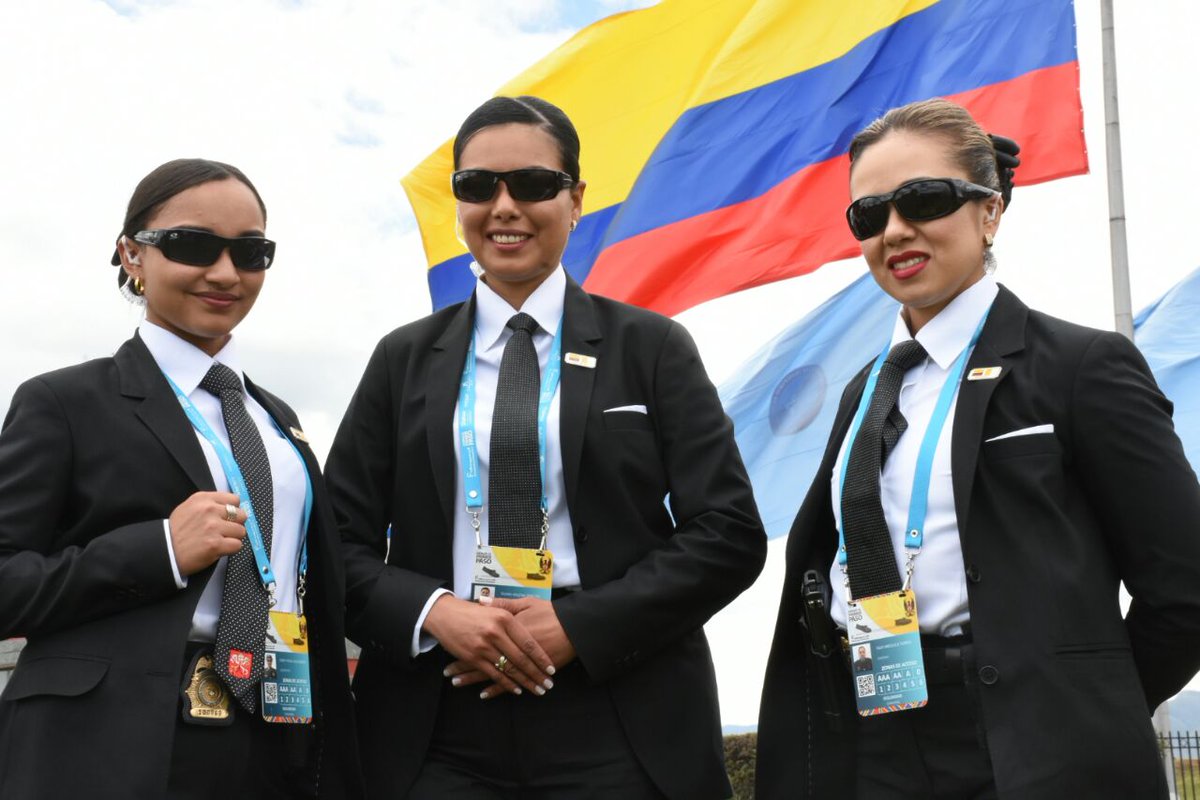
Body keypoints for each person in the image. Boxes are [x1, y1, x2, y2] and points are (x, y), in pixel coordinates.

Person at [756, 98, 1200, 799]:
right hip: (875, 736)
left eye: (924, 199)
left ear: (990, 210)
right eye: (869, 214)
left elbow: (1187, 586)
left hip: (1028, 748)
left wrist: (1082, 710)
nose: (895, 229)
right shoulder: (864, 394)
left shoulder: (1081, 367)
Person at [326, 95, 767, 799]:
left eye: (531, 184)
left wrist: (576, 625)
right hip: (435, 724)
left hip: (617, 711)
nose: (504, 206)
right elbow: (332, 545)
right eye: (477, 187)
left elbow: (729, 535)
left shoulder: (652, 348)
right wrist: (438, 612)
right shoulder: (400, 360)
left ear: (576, 199)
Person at [0, 159, 362, 798]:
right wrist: (159, 549)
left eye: (251, 252)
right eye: (193, 245)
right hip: (112, 745)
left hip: (276, 730)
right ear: (131, 255)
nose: (225, 273)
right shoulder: (64, 401)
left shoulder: (281, 422)